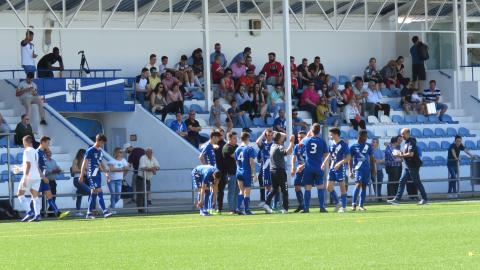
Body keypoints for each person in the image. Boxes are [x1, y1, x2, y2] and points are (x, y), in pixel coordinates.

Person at [387, 128, 428, 205]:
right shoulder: (405, 142)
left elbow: (411, 154)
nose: (402, 136)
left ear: (408, 133)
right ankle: (397, 199)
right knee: (402, 181)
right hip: (407, 166)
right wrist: (398, 153)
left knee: (417, 182)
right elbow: (404, 153)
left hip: (413, 166)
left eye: (403, 134)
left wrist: (400, 155)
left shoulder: (411, 142)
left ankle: (424, 198)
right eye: (401, 134)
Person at [79, 134, 113, 219]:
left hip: (98, 175)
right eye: (102, 143)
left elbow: (101, 164)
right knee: (99, 191)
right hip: (91, 175)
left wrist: (107, 174)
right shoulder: (90, 151)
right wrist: (81, 175)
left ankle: (89, 213)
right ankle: (105, 212)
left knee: (93, 193)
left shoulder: (100, 152)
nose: (103, 144)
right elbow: (84, 163)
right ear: (98, 141)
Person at [300, 123, 329, 213]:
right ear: (319, 131)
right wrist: (324, 163)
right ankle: (322, 207)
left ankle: (306, 208)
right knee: (320, 187)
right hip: (318, 166)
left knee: (307, 187)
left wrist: (308, 134)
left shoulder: (307, 140)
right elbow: (327, 154)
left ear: (311, 131)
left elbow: (300, 143)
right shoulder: (322, 141)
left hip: (309, 166)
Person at [263, 133, 295, 214]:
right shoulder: (279, 146)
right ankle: (285, 209)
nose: (284, 138)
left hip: (272, 170)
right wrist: (291, 142)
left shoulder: (272, 146)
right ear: (279, 139)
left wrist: (290, 144)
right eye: (282, 138)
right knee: (285, 190)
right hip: (280, 171)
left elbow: (288, 151)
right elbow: (287, 152)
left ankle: (266, 203)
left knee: (274, 189)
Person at [321, 127, 351, 213]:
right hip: (332, 169)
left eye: (331, 134)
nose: (330, 136)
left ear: (336, 134)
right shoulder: (332, 144)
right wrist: (324, 163)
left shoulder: (343, 144)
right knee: (328, 187)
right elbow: (330, 154)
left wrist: (339, 163)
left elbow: (348, 157)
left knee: (342, 188)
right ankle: (338, 202)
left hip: (340, 169)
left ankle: (344, 207)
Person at [16, 135, 43, 222]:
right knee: (35, 196)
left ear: (26, 142)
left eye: (24, 142)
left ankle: (29, 212)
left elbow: (28, 164)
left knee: (20, 194)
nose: (23, 144)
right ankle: (37, 215)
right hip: (36, 177)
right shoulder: (35, 151)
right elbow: (34, 165)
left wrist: (25, 177)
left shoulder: (27, 151)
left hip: (29, 176)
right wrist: (20, 169)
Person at [349, 130, 376, 211]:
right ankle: (353, 204)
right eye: (364, 136)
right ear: (360, 136)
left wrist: (373, 169)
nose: (366, 138)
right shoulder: (353, 146)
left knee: (364, 186)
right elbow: (350, 159)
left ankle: (361, 205)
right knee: (358, 184)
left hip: (366, 169)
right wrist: (350, 170)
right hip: (358, 169)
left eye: (366, 136)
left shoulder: (368, 146)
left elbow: (371, 158)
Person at [234, 132, 257, 215]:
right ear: (248, 138)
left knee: (241, 191)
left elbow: (236, 162)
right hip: (246, 172)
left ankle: (238, 208)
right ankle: (247, 210)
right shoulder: (249, 148)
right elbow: (251, 162)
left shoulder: (237, 149)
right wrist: (254, 174)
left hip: (239, 172)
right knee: (247, 192)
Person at [44, 147, 68, 218]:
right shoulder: (43, 161)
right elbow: (44, 171)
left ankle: (51, 212)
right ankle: (49, 211)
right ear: (45, 153)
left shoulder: (53, 161)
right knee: (48, 197)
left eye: (50, 152)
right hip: (46, 181)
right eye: (48, 152)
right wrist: (52, 170)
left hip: (53, 181)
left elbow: (57, 167)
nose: (50, 153)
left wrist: (59, 170)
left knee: (53, 197)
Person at [256, 129, 274, 207]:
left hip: (273, 168)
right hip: (265, 168)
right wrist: (263, 133)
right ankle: (267, 204)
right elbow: (257, 142)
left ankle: (273, 204)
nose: (269, 137)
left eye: (270, 135)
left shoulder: (274, 144)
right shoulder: (263, 145)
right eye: (267, 135)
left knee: (273, 187)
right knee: (267, 186)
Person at [222, 131, 239, 214]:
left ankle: (236, 208)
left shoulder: (236, 146)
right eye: (234, 138)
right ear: (229, 138)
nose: (236, 140)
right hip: (231, 173)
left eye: (236, 138)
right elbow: (236, 156)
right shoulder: (227, 147)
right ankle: (231, 209)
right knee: (231, 192)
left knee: (236, 192)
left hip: (237, 173)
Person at [291, 131, 307, 212]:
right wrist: (293, 167)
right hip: (299, 169)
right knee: (296, 186)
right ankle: (301, 204)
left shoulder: (307, 146)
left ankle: (305, 206)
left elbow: (310, 159)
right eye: (299, 137)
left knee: (307, 187)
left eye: (302, 137)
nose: (300, 139)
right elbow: (293, 157)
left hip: (307, 168)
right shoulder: (297, 146)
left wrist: (303, 166)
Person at [72, 148, 90, 216]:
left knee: (80, 195)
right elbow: (74, 170)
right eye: (84, 154)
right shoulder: (76, 160)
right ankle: (90, 210)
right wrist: (82, 171)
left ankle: (77, 211)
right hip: (77, 179)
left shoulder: (86, 161)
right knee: (90, 192)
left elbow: (88, 169)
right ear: (81, 154)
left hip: (84, 179)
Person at [213, 129, 227, 214]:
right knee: (212, 190)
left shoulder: (225, 145)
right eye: (218, 135)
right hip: (213, 171)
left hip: (222, 171)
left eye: (221, 135)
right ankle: (211, 207)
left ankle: (219, 208)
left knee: (220, 190)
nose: (220, 136)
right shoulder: (212, 145)